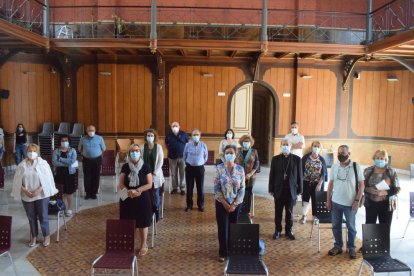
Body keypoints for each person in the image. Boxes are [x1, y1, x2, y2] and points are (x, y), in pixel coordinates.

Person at [11, 143, 58, 247]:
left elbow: (48, 179)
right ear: (26, 152)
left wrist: (38, 190)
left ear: (37, 152)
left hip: (41, 195)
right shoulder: (22, 165)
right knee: (31, 217)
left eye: (34, 151)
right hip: (27, 195)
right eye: (30, 151)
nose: (32, 153)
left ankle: (46, 236)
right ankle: (34, 236)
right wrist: (25, 190)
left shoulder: (43, 164)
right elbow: (17, 181)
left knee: (43, 216)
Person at [326, 145, 364, 259]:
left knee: (351, 227)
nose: (340, 155)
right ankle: (338, 246)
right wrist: (328, 200)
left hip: (350, 204)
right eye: (339, 152)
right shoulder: (334, 166)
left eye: (343, 153)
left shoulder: (356, 166)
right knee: (336, 226)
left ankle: (351, 247)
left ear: (349, 154)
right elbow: (330, 184)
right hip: (335, 202)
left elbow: (362, 185)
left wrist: (357, 200)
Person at [119, 144, 153, 256]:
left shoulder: (146, 166)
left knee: (142, 223)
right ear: (129, 153)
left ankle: (143, 244)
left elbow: (149, 184)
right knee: (129, 222)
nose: (135, 152)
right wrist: (129, 191)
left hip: (142, 198)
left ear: (140, 153)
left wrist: (138, 190)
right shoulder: (125, 167)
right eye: (133, 151)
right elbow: (121, 183)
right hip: (128, 198)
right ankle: (130, 244)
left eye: (137, 150)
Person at [214, 145, 245, 262]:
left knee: (233, 227)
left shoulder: (240, 169)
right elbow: (216, 187)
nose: (229, 155)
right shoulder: (219, 168)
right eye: (227, 153)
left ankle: (232, 250)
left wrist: (234, 204)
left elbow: (242, 188)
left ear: (235, 154)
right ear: (224, 154)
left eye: (231, 153)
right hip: (221, 203)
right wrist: (225, 203)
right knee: (223, 227)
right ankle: (223, 252)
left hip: (236, 204)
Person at [268, 139, 302, 241]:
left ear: (291, 146)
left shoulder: (297, 159)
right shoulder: (275, 159)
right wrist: (270, 188)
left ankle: (289, 231)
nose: (285, 146)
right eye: (283, 145)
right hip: (278, 189)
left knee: (290, 212)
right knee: (278, 212)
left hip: (291, 190)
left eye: (287, 144)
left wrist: (300, 190)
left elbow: (300, 175)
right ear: (281, 146)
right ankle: (277, 230)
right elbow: (272, 175)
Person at [363, 150, 400, 234]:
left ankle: (384, 247)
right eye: (377, 158)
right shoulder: (367, 170)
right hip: (371, 203)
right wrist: (369, 190)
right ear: (374, 158)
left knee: (385, 228)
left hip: (387, 204)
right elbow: (362, 186)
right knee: (369, 225)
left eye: (382, 158)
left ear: (386, 160)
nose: (379, 160)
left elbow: (397, 188)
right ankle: (368, 246)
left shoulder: (391, 171)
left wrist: (385, 192)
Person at [300, 141, 328, 224]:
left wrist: (320, 184)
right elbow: (300, 171)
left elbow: (324, 173)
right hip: (306, 182)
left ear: (320, 148)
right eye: (315, 146)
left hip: (317, 184)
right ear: (311, 146)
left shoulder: (322, 159)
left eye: (318, 146)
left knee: (316, 200)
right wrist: (300, 184)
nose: (316, 148)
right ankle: (304, 216)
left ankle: (316, 216)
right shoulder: (305, 158)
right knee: (305, 199)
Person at [140, 129, 165, 222]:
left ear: (154, 137)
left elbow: (160, 161)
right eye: (148, 135)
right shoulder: (142, 147)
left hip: (156, 175)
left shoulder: (158, 147)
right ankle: (147, 212)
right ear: (146, 137)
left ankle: (156, 212)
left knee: (155, 195)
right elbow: (141, 160)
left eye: (151, 135)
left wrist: (155, 172)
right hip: (145, 174)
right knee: (146, 194)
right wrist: (146, 172)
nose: (150, 137)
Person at [52, 135, 78, 217]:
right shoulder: (56, 151)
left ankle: (69, 209)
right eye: (62, 140)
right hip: (59, 173)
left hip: (69, 173)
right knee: (61, 192)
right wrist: (65, 163)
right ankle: (61, 208)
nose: (64, 142)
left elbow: (72, 161)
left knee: (69, 192)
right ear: (60, 142)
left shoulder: (73, 150)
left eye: (66, 140)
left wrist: (60, 159)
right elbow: (54, 162)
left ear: (69, 141)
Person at [183, 128, 208, 212]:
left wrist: (199, 162)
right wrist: (190, 162)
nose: (196, 136)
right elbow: (184, 156)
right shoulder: (187, 145)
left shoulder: (203, 145)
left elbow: (206, 157)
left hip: (200, 168)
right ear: (191, 136)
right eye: (194, 135)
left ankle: (201, 205)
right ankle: (189, 205)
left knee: (200, 187)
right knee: (189, 188)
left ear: (200, 136)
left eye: (197, 135)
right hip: (189, 168)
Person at [78, 125, 106, 200]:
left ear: (95, 130)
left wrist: (98, 154)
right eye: (89, 130)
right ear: (87, 131)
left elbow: (103, 148)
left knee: (96, 176)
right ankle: (88, 193)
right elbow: (79, 149)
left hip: (97, 160)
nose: (91, 132)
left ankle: (94, 193)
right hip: (86, 160)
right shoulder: (83, 139)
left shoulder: (99, 138)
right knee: (87, 176)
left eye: (92, 130)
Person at [235, 134, 259, 216]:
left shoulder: (254, 151)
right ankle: (238, 209)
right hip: (238, 176)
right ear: (242, 142)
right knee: (239, 191)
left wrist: (251, 173)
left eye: (248, 142)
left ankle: (247, 211)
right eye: (245, 141)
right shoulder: (237, 150)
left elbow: (257, 163)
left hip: (250, 176)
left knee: (248, 193)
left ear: (250, 143)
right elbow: (234, 162)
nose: (246, 143)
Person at [165, 122, 189, 195]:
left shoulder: (183, 134)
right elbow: (166, 144)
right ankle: (175, 188)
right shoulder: (168, 135)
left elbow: (187, 143)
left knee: (182, 173)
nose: (175, 127)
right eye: (173, 126)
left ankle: (182, 189)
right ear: (171, 127)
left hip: (182, 157)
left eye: (176, 125)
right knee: (173, 174)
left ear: (179, 126)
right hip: (172, 157)